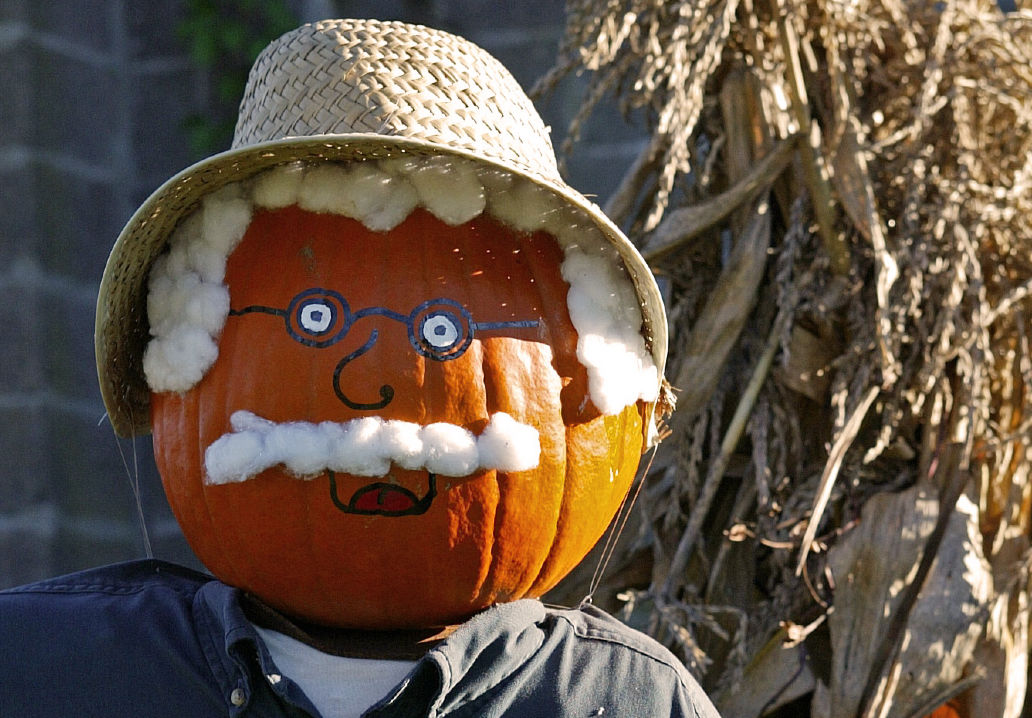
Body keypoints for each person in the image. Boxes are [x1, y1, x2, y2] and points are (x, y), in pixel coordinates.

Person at [0, 19, 720, 718]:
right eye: (313, 320)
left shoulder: (626, 699)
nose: (372, 384)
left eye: (444, 332)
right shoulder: (47, 666)